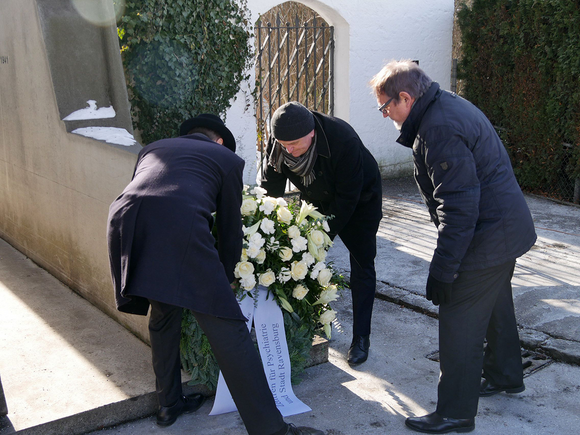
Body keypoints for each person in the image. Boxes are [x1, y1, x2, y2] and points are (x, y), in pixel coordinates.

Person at [107, 114, 323, 435]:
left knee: (163, 314)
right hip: (180, 224)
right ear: (219, 141)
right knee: (230, 332)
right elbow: (229, 228)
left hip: (125, 221)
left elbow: (151, 195)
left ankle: (169, 404)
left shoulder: (151, 148)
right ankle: (272, 431)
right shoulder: (227, 159)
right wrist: (225, 278)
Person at [369, 60, 537, 433]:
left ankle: (455, 413)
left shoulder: (439, 127)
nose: (385, 115)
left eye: (386, 107)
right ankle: (505, 375)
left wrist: (443, 269)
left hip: (488, 235)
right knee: (494, 304)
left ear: (406, 97)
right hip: (505, 229)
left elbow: (458, 208)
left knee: (459, 318)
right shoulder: (444, 106)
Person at [260, 102, 383, 365]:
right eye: (283, 144)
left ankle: (361, 338)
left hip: (360, 199)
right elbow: (270, 190)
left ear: (312, 133)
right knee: (299, 259)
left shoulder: (342, 139)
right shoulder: (280, 143)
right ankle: (307, 320)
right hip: (316, 197)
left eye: (294, 144)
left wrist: (323, 236)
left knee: (362, 262)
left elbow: (348, 198)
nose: (288, 150)